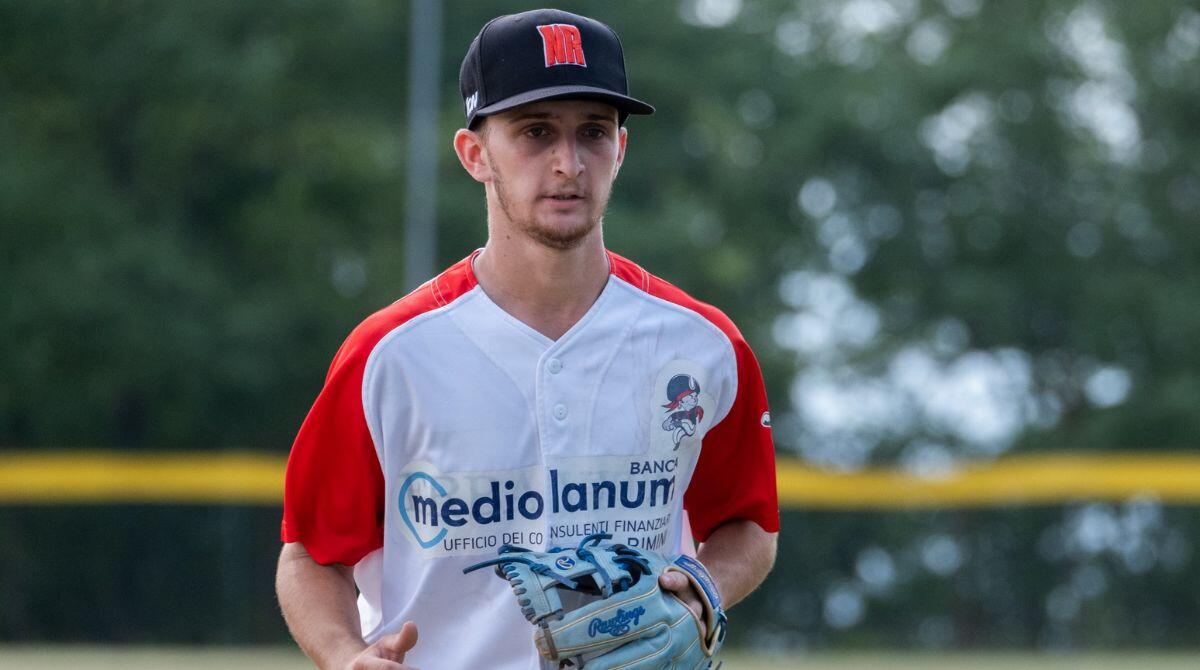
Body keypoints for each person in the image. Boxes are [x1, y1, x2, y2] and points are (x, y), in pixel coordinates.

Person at [275, 8, 779, 669]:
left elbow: (749, 526)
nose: (568, 162)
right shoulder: (391, 354)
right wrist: (346, 656)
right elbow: (311, 554)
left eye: (593, 132)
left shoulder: (703, 344)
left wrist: (702, 591)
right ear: (475, 154)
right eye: (535, 132)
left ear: (620, 150)